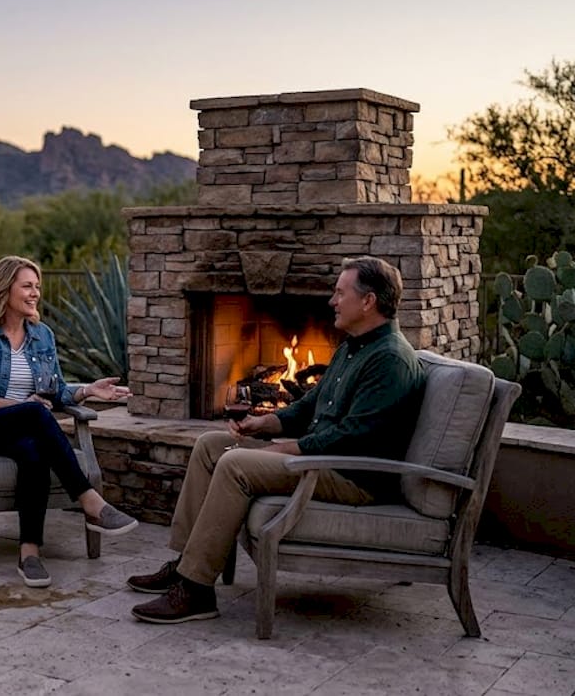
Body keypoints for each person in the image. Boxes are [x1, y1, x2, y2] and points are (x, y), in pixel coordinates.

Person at [127, 256, 425, 623]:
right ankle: (186, 563)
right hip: (324, 459)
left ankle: (196, 590)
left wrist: (294, 448)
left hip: (351, 476)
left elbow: (356, 435)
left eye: (339, 293)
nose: (332, 301)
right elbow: (311, 404)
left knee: (235, 464)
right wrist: (266, 423)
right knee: (210, 445)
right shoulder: (354, 345)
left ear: (368, 302)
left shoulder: (389, 359)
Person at [0, 255, 138, 588]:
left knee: (33, 450)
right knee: (34, 412)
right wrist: (17, 406)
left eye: (37, 287)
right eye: (27, 286)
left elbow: (55, 390)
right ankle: (90, 501)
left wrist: (89, 390)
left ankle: (29, 554)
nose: (35, 294)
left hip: (20, 428)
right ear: (5, 288)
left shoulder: (42, 336)